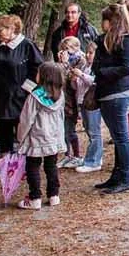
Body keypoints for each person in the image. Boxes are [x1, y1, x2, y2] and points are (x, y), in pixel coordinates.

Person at [0, 15, 44, 179]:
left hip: (20, 97)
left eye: (0, 29)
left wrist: (26, 90)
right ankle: (5, 164)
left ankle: (27, 166)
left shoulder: (27, 46)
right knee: (3, 130)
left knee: (23, 130)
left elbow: (38, 69)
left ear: (12, 29)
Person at [92, 3, 129, 195]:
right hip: (105, 93)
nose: (101, 23)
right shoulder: (105, 41)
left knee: (122, 137)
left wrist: (103, 72)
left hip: (118, 94)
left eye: (104, 19)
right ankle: (117, 175)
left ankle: (126, 177)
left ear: (112, 21)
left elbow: (127, 67)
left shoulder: (126, 41)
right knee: (117, 136)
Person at [15, 62, 68, 210]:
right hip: (53, 137)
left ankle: (35, 198)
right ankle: (54, 195)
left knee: (33, 167)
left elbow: (27, 119)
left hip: (37, 138)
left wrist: (20, 137)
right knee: (51, 166)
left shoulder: (34, 96)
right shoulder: (60, 95)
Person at [56, 37, 88, 168]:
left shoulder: (81, 61)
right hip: (63, 100)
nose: (65, 53)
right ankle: (67, 155)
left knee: (70, 130)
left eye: (67, 50)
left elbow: (72, 80)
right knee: (63, 130)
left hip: (73, 101)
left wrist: (65, 64)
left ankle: (76, 155)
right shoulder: (65, 62)